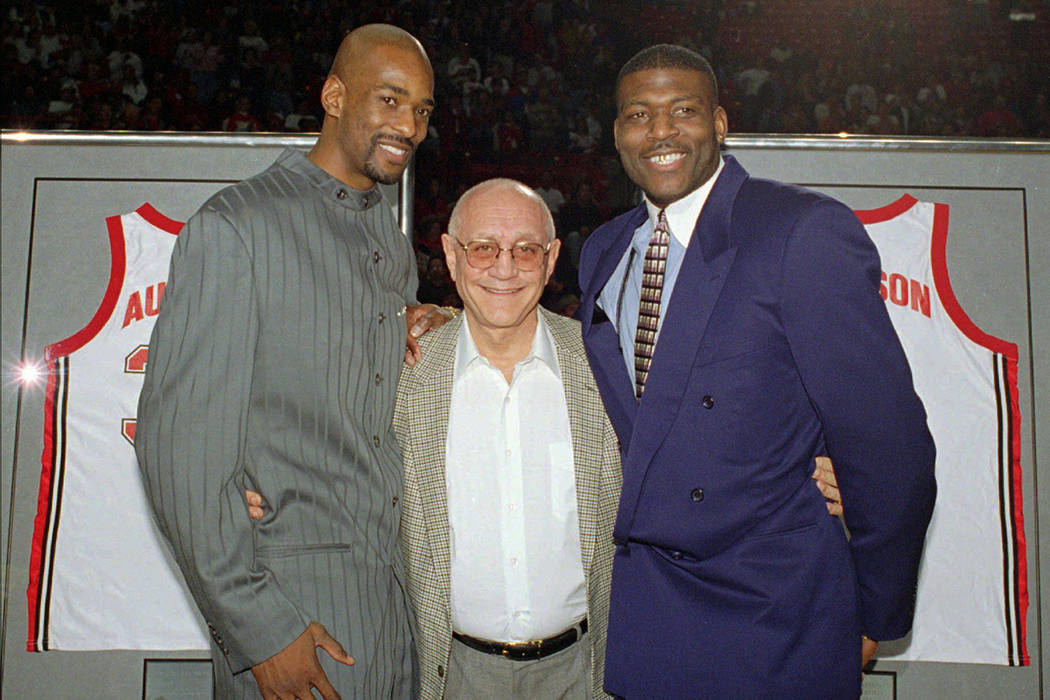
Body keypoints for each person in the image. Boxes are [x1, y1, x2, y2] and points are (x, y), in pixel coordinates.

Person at [576, 44, 937, 698]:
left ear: (719, 123)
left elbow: (889, 443)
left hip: (775, 621)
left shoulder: (801, 231)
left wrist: (872, 608)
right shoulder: (603, 251)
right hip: (649, 625)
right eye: (638, 115)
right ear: (616, 134)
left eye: (682, 110)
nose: (659, 131)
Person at [135, 24, 447, 700]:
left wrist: (424, 325)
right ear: (334, 95)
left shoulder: (390, 246)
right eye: (390, 100)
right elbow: (177, 454)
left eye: (422, 110)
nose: (410, 125)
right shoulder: (236, 229)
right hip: (291, 612)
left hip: (392, 612)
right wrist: (259, 629)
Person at [395, 179, 622, 698]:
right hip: (448, 672)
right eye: (482, 249)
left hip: (583, 672)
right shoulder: (403, 372)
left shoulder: (603, 366)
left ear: (551, 259)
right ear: (451, 256)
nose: (504, 268)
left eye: (526, 249)